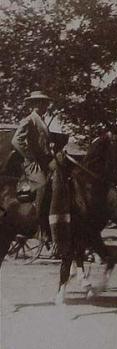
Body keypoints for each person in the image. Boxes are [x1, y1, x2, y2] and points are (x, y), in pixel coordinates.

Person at [11, 90, 70, 246]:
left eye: (46, 103)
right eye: (42, 103)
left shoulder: (42, 121)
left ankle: (57, 221)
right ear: (34, 104)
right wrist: (30, 156)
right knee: (43, 185)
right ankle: (35, 225)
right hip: (32, 163)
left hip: (44, 161)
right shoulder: (29, 120)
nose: (46, 106)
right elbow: (16, 141)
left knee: (63, 176)